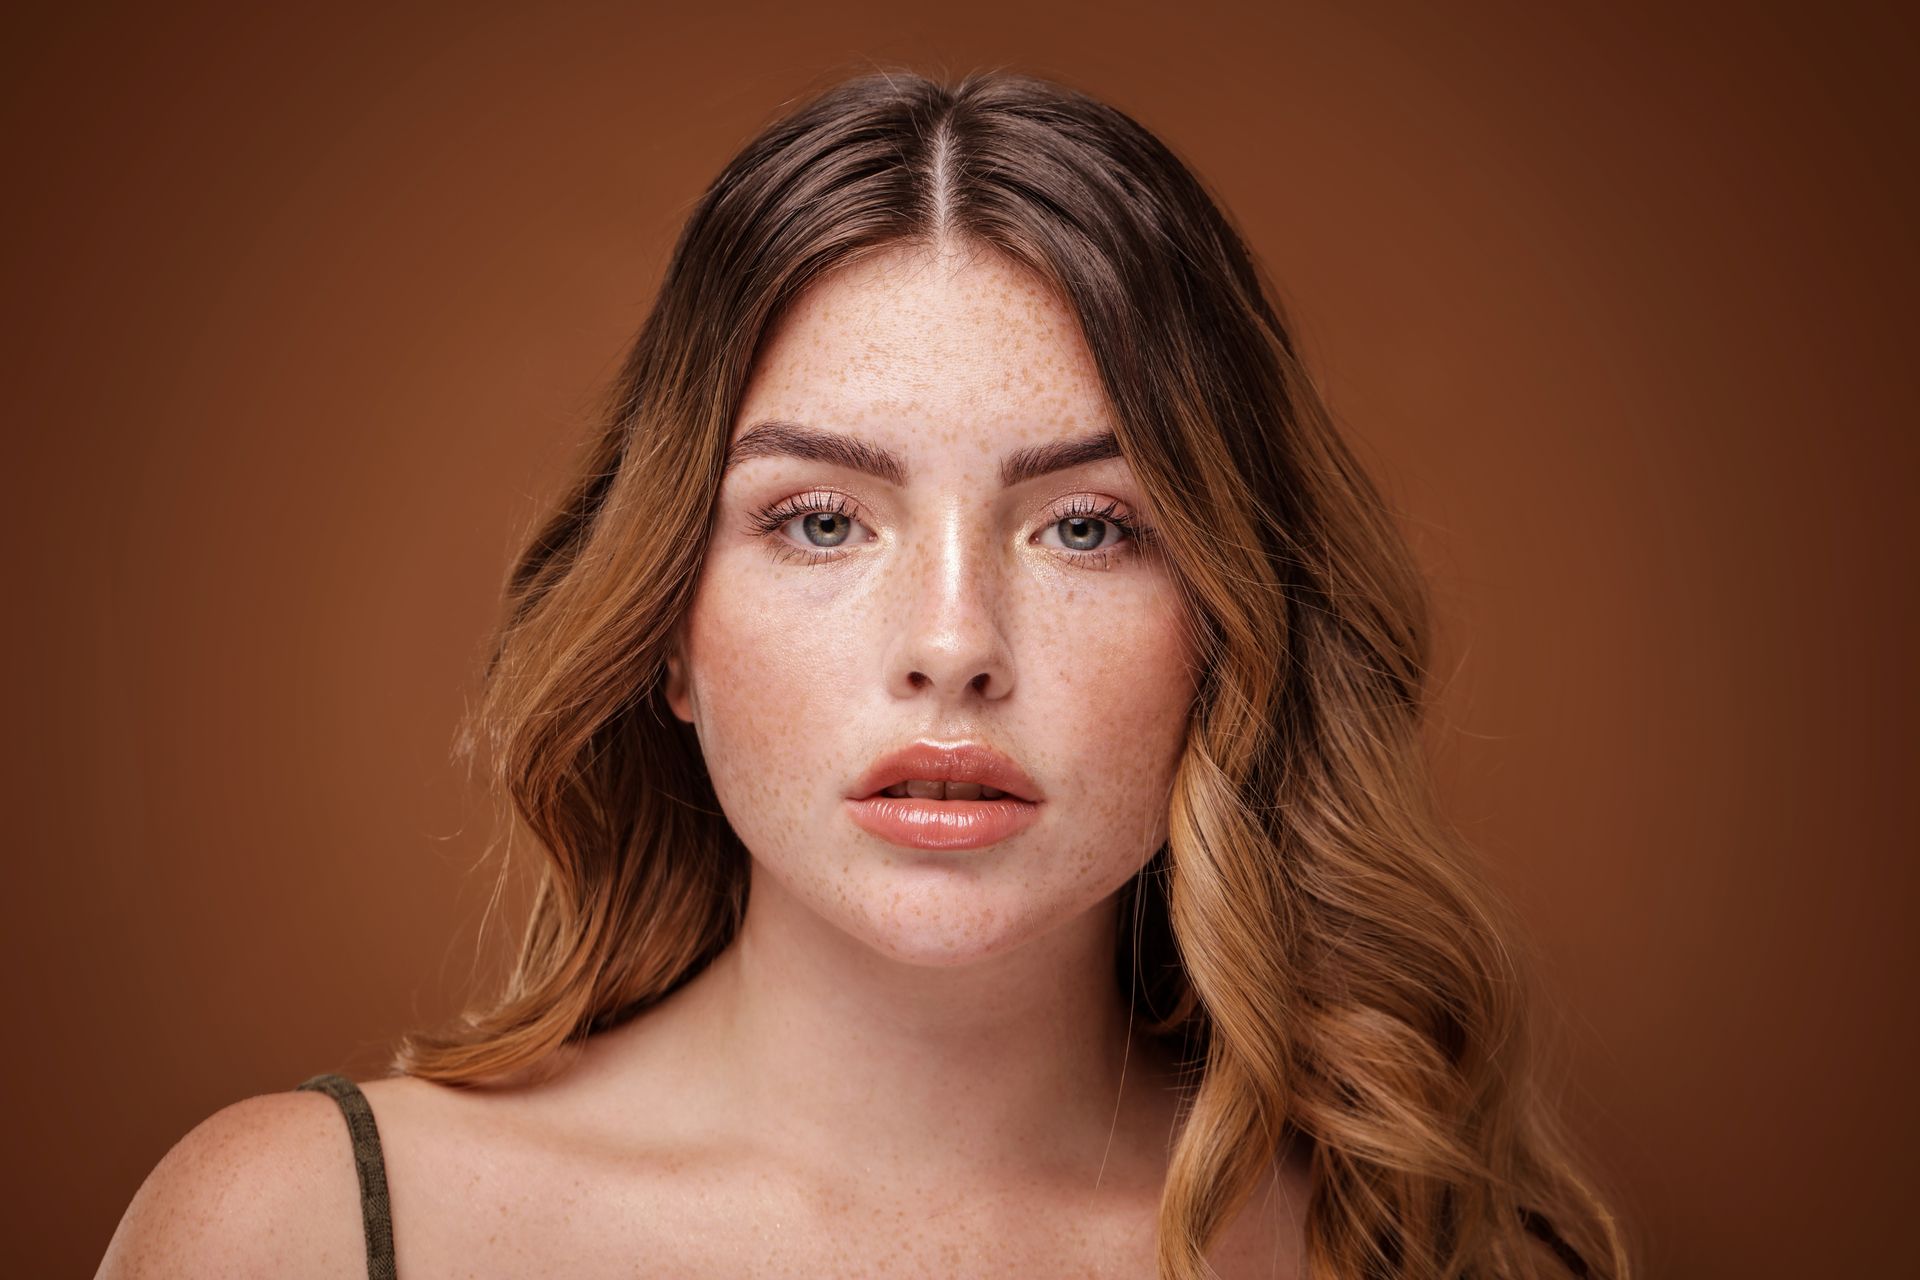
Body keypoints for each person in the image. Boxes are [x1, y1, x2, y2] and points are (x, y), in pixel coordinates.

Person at [97, 68, 1628, 1279]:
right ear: (670, 628)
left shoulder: (1425, 1252)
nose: (952, 646)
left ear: (1226, 625)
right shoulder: (297, 1235)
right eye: (821, 520)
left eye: (1087, 527)